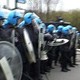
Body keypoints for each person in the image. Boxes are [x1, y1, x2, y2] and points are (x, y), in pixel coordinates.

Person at [18, 12, 43, 80]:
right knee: (29, 73)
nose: (34, 21)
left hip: (35, 54)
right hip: (28, 56)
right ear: (29, 20)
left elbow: (38, 39)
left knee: (36, 72)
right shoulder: (22, 30)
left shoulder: (35, 29)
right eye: (32, 20)